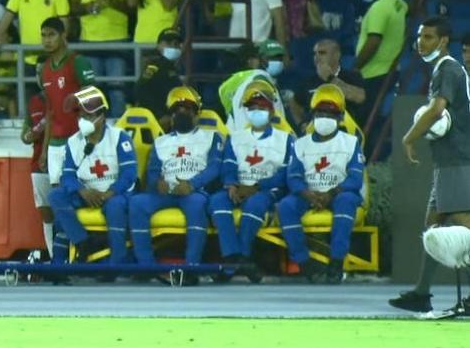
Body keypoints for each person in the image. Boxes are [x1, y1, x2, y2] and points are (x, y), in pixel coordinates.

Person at [392, 16, 470, 314]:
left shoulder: (448, 69)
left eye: (428, 37)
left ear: (443, 40)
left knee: (465, 227)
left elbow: (438, 110)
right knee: (433, 228)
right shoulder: (445, 69)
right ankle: (422, 292)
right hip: (447, 163)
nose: (421, 42)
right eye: (420, 36)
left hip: (457, 162)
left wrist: (409, 137)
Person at [129, 86, 222, 283]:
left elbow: (214, 168)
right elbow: (153, 171)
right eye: (177, 110)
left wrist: (192, 184)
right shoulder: (160, 142)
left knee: (197, 204)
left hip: (193, 191)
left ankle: (191, 268)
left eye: (187, 109)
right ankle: (146, 267)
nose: (182, 113)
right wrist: (157, 183)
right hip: (165, 191)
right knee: (136, 203)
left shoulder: (211, 137)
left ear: (196, 113)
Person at [278, 84, 366, 283]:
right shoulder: (300, 144)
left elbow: (355, 178)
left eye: (331, 113)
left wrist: (331, 193)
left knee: (346, 201)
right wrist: (307, 194)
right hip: (308, 194)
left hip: (339, 193)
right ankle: (304, 263)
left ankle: (336, 263)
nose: (324, 117)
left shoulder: (351, 143)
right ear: (312, 115)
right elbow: (293, 177)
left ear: (340, 117)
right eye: (320, 113)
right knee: (286, 206)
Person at [209, 85, 294, 280]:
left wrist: (256, 187)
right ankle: (234, 258)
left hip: (267, 189)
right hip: (239, 187)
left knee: (256, 203)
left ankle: (240, 258)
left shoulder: (285, 139)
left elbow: (286, 174)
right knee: (217, 201)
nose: (256, 112)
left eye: (261, 107)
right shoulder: (236, 138)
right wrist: (231, 184)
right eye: (252, 108)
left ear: (272, 110)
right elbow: (228, 165)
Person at [47, 86, 137, 265]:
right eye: (80, 116)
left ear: (101, 116)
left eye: (87, 116)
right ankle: (82, 242)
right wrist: (82, 191)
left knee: (116, 206)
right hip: (86, 193)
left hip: (115, 194)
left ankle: (117, 262)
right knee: (56, 196)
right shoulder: (73, 142)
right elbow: (67, 176)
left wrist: (110, 193)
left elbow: (129, 175)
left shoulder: (120, 138)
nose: (82, 121)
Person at [34, 17, 95, 260]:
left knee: (78, 195)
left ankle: (83, 248)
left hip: (77, 141)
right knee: (59, 200)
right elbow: (50, 112)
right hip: (56, 145)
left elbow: (94, 100)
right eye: (43, 35)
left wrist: (90, 138)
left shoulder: (77, 62)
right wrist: (44, 149)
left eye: (51, 34)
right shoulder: (45, 69)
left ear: (62, 36)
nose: (46, 40)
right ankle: (68, 254)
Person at [69, 0, 133, 111]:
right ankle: (94, 134)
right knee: (91, 93)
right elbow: (72, 8)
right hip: (89, 42)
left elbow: (131, 9)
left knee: (117, 92)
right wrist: (88, 7)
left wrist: (111, 1)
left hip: (118, 41)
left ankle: (118, 135)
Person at [355, 0, 409, 117]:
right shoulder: (396, 0)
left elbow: (374, 41)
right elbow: (407, 11)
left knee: (368, 117)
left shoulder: (378, 8)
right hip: (390, 70)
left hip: (373, 73)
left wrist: (356, 66)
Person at [287, 40, 368, 128]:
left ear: (336, 55)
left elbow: (360, 97)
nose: (317, 57)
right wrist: (301, 123)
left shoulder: (352, 76)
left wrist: (330, 78)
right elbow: (294, 103)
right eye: (315, 53)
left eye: (322, 53)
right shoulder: (309, 81)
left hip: (343, 132)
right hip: (315, 134)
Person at [134, 29, 185, 120]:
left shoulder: (175, 67)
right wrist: (159, 115)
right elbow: (140, 90)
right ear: (159, 46)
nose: (173, 47)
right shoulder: (154, 66)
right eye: (169, 43)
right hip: (156, 119)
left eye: (176, 44)